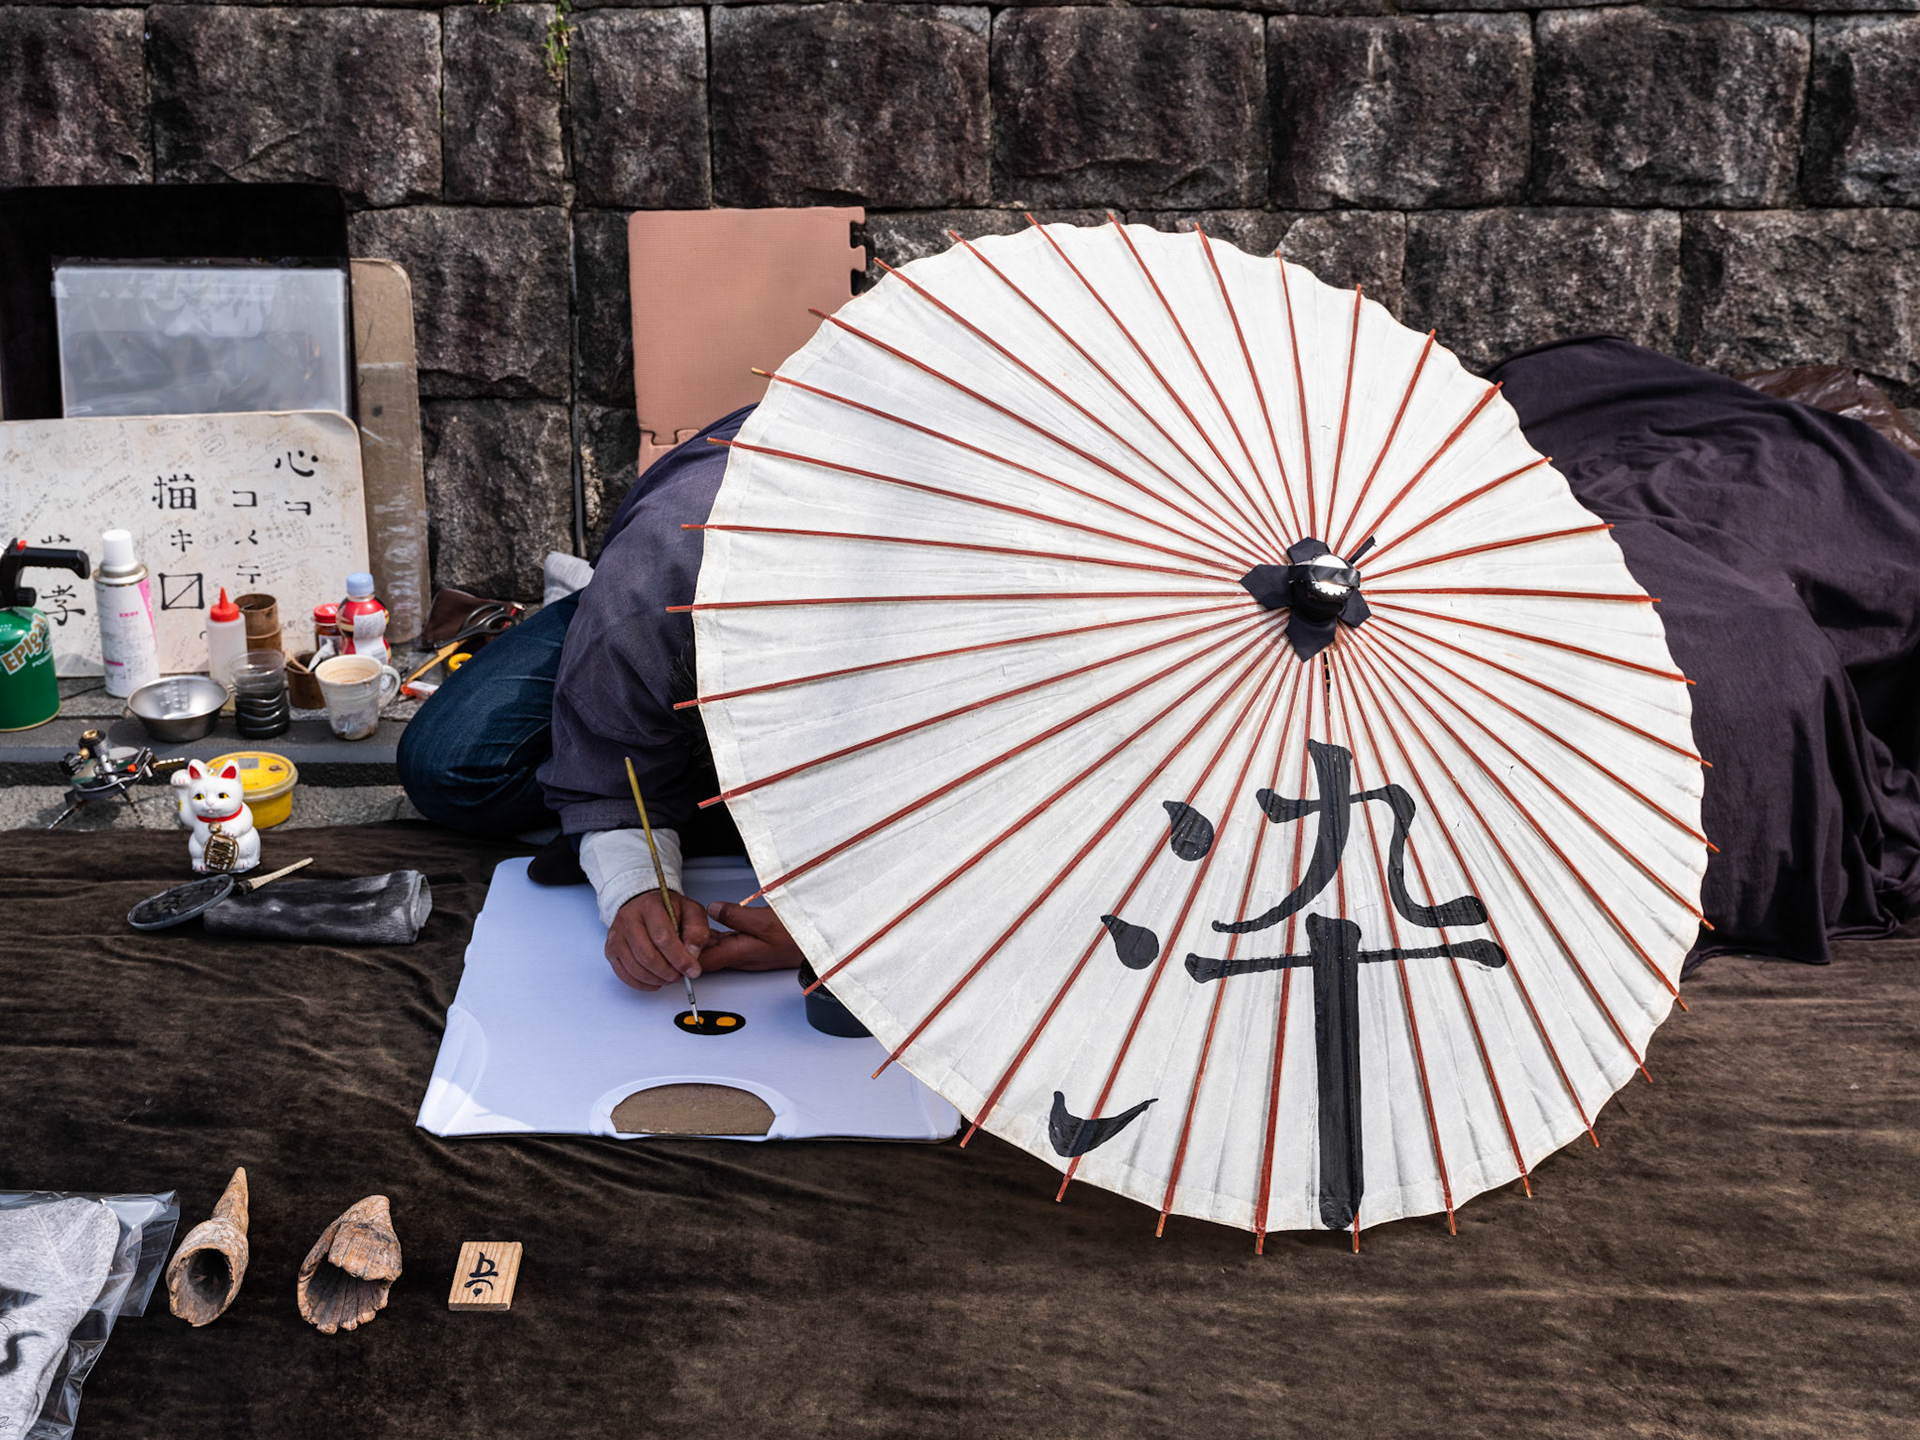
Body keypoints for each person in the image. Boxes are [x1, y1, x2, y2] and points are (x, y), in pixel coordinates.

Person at [398, 405, 806, 992]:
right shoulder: (663, 576)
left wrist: (833, 931)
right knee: (452, 764)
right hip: (660, 601)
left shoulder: (939, 597)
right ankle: (677, 785)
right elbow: (613, 769)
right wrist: (635, 880)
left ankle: (692, 798)